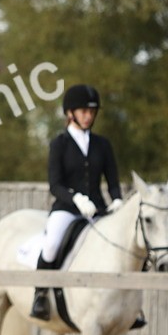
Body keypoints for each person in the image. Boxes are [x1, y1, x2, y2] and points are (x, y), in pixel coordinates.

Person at [30, 84, 124, 320]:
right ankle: (40, 295)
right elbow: (55, 184)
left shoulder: (103, 145)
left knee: (123, 245)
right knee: (51, 244)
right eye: (84, 111)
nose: (89, 116)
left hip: (98, 210)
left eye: (92, 112)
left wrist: (118, 201)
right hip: (67, 210)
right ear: (70, 113)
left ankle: (128, 305)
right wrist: (76, 199)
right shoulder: (59, 145)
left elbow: (112, 180)